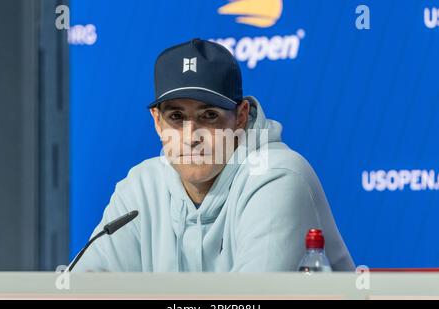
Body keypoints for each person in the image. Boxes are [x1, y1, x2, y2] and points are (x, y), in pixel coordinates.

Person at [72, 38, 355, 272]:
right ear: (157, 121)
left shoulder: (277, 177)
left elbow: (249, 306)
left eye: (209, 115)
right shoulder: (140, 187)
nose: (191, 135)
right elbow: (85, 289)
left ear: (241, 116)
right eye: (176, 116)